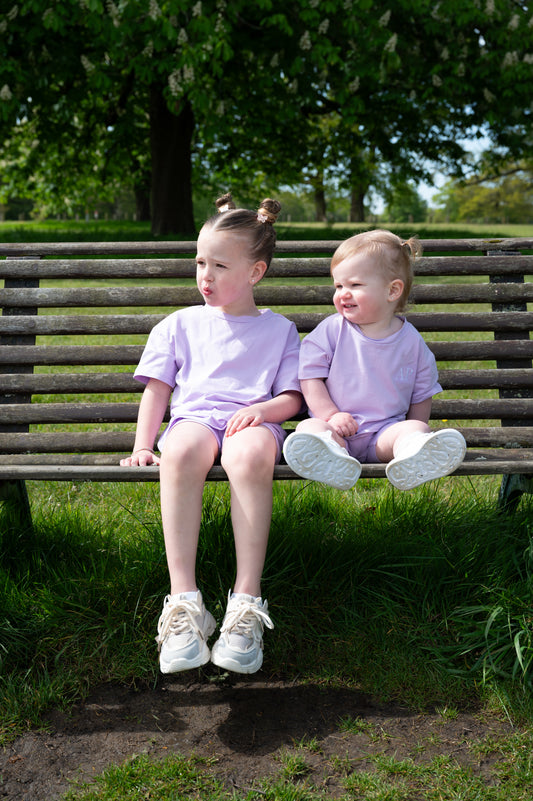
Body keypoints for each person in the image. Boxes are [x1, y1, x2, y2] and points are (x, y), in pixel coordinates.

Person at [120, 193, 302, 675]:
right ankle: (184, 603)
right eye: (200, 262)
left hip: (254, 423)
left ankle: (246, 605)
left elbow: (292, 400)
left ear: (255, 273)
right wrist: (143, 444)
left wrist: (263, 412)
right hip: (195, 421)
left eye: (220, 265)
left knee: (246, 457)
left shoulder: (280, 330)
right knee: (177, 449)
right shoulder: (178, 325)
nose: (205, 275)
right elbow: (157, 394)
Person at [282, 229, 466, 491]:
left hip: (384, 435)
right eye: (338, 286)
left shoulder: (412, 342)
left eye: (355, 285)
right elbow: (310, 376)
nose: (343, 293)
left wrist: (415, 431)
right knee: (310, 427)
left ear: (392, 290)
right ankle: (332, 462)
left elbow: (422, 393)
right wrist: (331, 415)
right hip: (335, 431)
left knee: (414, 429)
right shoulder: (332, 330)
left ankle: (413, 456)